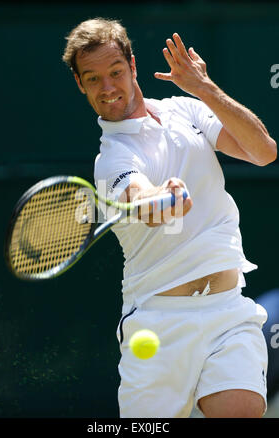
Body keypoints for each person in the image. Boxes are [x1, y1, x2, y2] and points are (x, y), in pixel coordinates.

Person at [62, 18, 277, 418]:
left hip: (229, 310)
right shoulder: (111, 160)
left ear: (133, 66)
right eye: (93, 79)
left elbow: (263, 151)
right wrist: (163, 199)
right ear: (80, 84)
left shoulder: (187, 110)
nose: (107, 88)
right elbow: (141, 199)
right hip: (158, 324)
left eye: (115, 72)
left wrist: (204, 88)